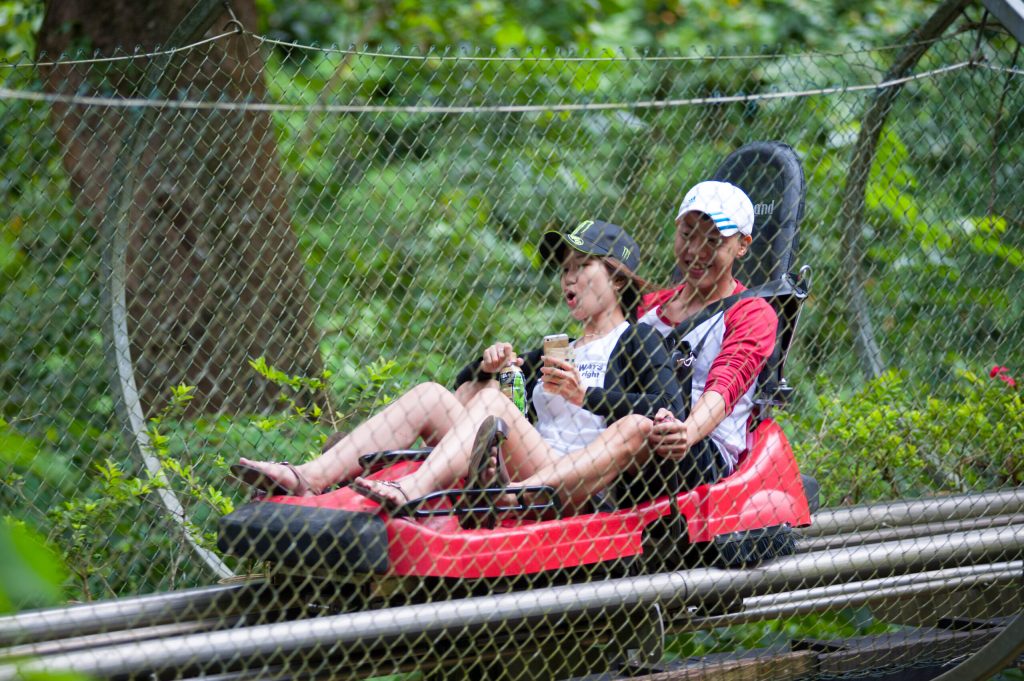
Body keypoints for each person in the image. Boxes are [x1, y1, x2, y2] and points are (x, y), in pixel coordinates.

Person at [232, 219, 683, 512]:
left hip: (580, 483)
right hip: (533, 462)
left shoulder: (637, 338)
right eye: (565, 268)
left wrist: (587, 396)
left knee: (493, 404)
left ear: (618, 278)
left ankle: (412, 490)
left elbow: (667, 406)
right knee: (435, 393)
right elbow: (480, 394)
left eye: (583, 266)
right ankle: (309, 476)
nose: (568, 278)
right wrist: (491, 367)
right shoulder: (558, 346)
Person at [639, 180, 779, 497]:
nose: (695, 251)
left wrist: (685, 434)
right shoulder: (647, 307)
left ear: (742, 245)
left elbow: (726, 385)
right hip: (635, 424)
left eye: (713, 241)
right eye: (687, 235)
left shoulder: (751, 313)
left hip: (701, 448)